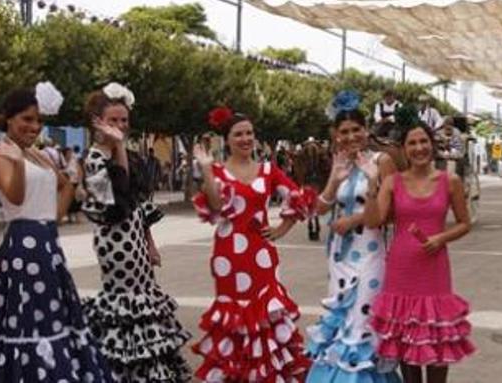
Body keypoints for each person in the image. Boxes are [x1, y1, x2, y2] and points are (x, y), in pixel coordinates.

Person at [0, 84, 115, 381]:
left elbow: (59, 200)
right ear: (8, 119)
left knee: (52, 319)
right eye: (26, 118)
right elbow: (16, 196)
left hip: (47, 245)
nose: (34, 126)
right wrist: (16, 162)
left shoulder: (38, 155)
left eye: (38, 120)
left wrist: (73, 179)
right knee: (24, 322)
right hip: (22, 247)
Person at [80, 83, 192, 381]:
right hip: (114, 244)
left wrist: (150, 244)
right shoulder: (94, 157)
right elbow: (114, 203)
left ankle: (148, 371)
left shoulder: (126, 154)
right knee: (125, 305)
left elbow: (138, 206)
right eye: (113, 120)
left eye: (124, 121)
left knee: (145, 297)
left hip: (135, 240)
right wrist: (117, 148)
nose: (120, 126)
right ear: (97, 121)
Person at [193, 106, 312, 382]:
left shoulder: (269, 170)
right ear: (228, 139)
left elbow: (298, 197)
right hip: (228, 259)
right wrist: (208, 170)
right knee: (234, 317)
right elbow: (215, 205)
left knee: (265, 315)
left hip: (261, 255)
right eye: (238, 134)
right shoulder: (219, 171)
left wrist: (281, 229)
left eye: (249, 133)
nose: (245, 139)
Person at [365, 120, 475, 383]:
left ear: (432, 144)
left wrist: (441, 238)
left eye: (423, 141)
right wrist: (371, 189)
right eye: (412, 143)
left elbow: (464, 223)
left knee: (437, 347)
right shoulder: (392, 182)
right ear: (403, 149)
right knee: (407, 351)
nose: (419, 148)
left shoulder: (451, 181)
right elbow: (374, 221)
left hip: (434, 271)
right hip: (400, 272)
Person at [306, 91, 401, 383]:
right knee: (341, 321)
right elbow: (319, 209)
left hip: (370, 253)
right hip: (339, 256)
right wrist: (334, 180)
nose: (350, 137)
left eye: (356, 130)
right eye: (344, 131)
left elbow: (392, 212)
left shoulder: (382, 161)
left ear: (366, 130)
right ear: (335, 135)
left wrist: (354, 219)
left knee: (362, 321)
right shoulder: (338, 163)